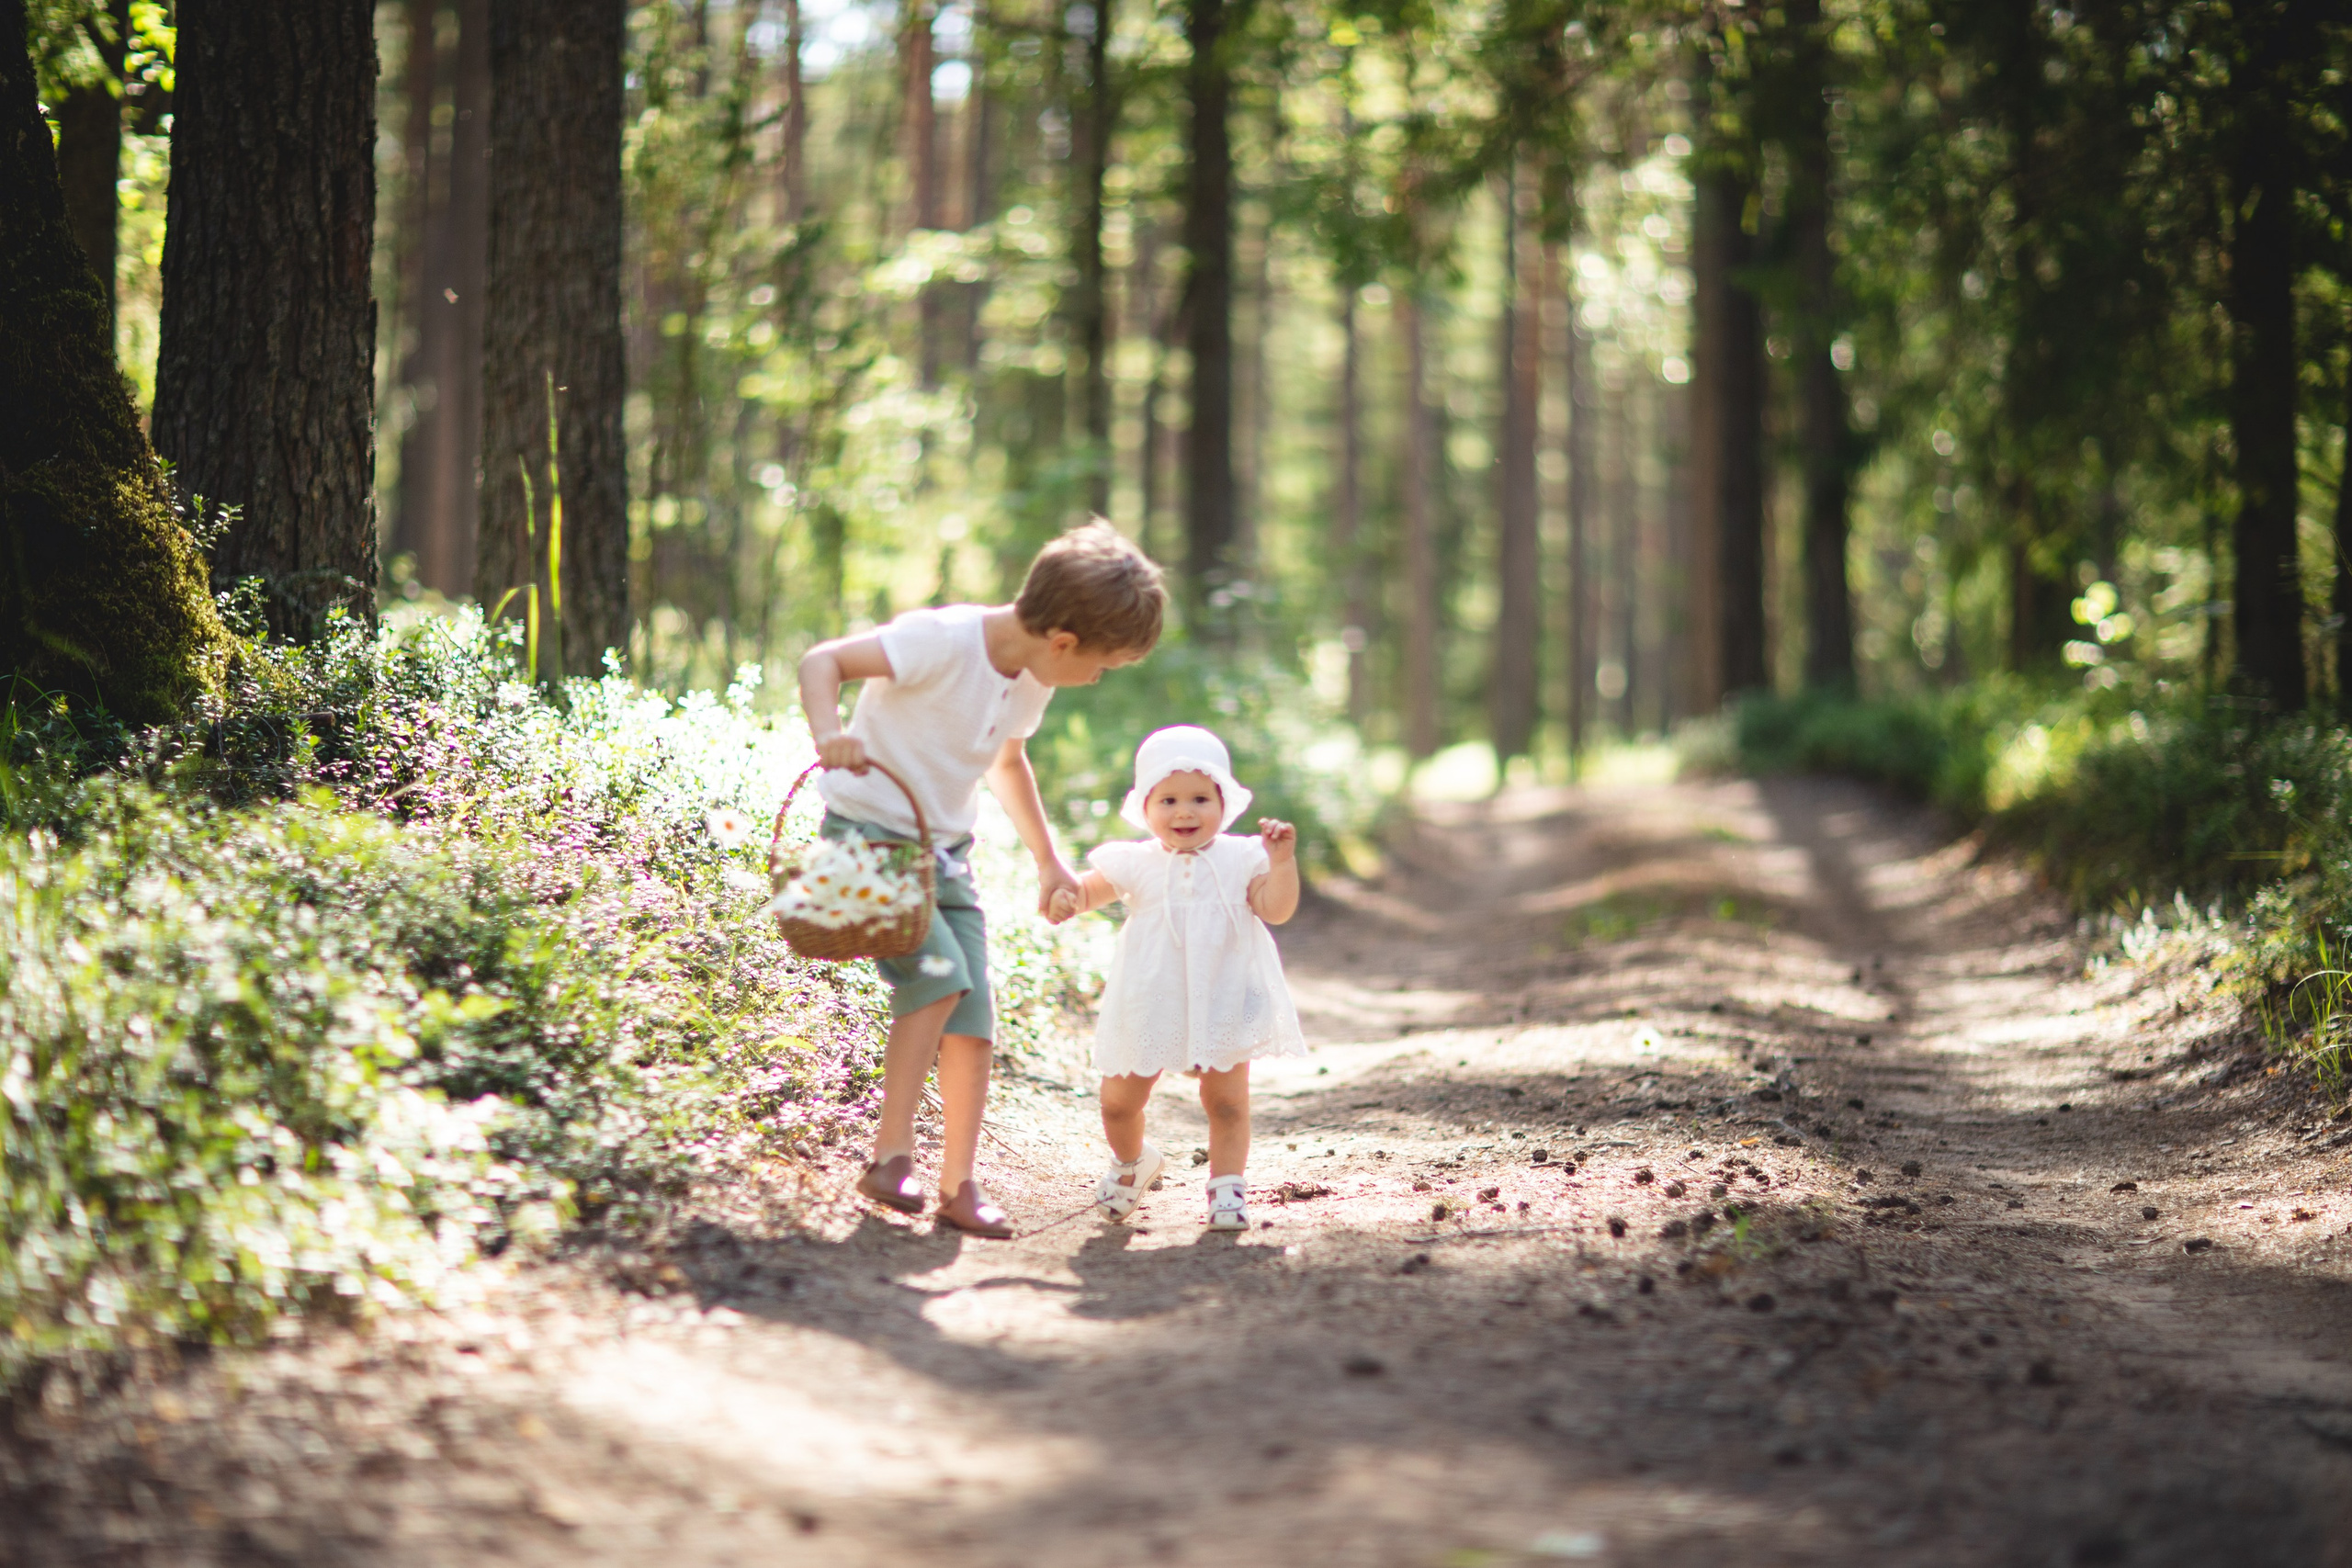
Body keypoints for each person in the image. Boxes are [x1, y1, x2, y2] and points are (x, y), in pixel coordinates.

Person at [799, 521, 1165, 1237]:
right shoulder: (941, 640)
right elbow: (823, 660)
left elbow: (1006, 761)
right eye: (1102, 666)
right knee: (938, 977)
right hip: (864, 844)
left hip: (946, 858)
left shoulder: (1029, 675)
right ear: (1063, 640)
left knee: (972, 1019)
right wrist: (826, 731)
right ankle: (889, 1157)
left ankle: (958, 1185)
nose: (1096, 679)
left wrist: (1049, 860)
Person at [1048, 726, 1306, 1232]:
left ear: (1223, 802)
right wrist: (1064, 899)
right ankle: (1133, 1162)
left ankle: (1226, 1189)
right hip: (1149, 1000)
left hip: (1223, 996)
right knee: (1119, 1103)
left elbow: (1275, 910)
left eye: (1199, 798)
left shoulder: (1241, 858)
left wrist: (1282, 864)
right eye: (1168, 799)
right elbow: (1083, 895)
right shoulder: (1136, 862)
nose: (1184, 812)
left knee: (1226, 1100)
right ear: (1144, 807)